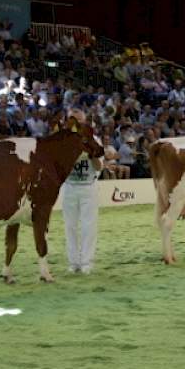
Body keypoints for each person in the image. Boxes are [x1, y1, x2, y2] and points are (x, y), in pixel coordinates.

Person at [61, 109, 103, 274]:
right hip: (70, 186)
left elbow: (100, 166)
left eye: (79, 121)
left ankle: (86, 262)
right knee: (70, 226)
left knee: (88, 226)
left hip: (88, 186)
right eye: (73, 120)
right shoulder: (63, 140)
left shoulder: (95, 140)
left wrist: (91, 153)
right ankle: (73, 263)